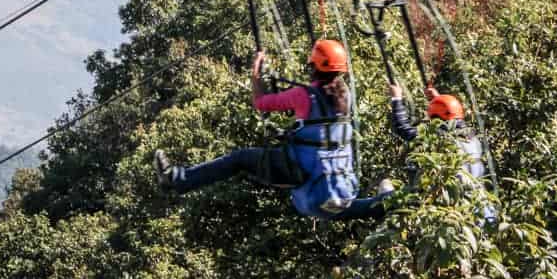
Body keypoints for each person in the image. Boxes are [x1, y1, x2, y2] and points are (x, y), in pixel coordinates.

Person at [154, 39, 385, 220]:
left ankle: (178, 179)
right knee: (339, 209)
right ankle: (388, 204)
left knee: (240, 159)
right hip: (338, 184)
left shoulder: (302, 96)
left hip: (303, 173)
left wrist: (256, 72)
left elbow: (261, 102)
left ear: (313, 68)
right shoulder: (346, 96)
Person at [387, 83, 492, 208]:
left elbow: (403, 128)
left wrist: (396, 99)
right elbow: (448, 114)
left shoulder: (441, 137)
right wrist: (438, 102)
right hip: (479, 203)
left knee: (387, 193)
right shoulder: (473, 138)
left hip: (452, 204)